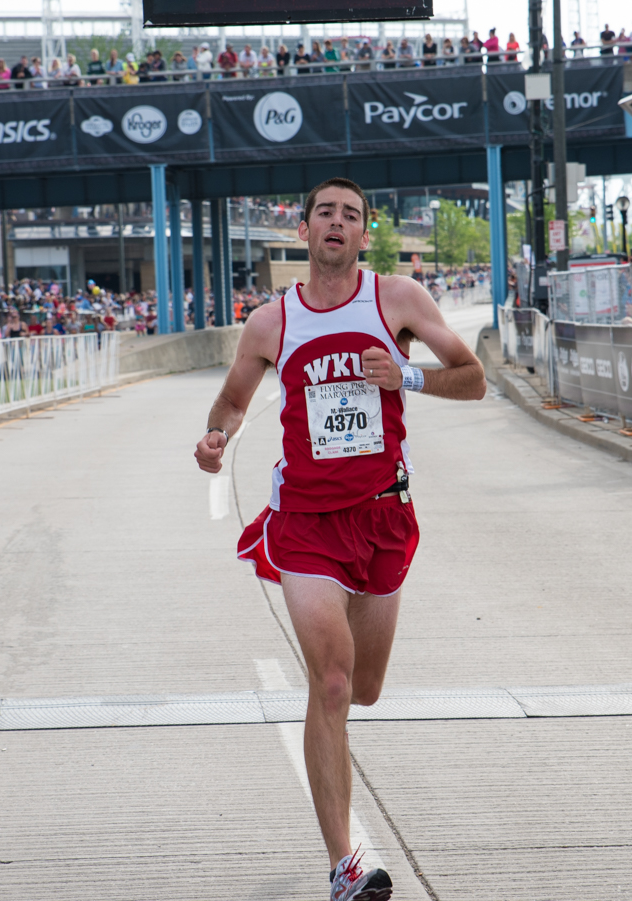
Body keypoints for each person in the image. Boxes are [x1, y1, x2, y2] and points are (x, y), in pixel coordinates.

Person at [194, 177, 485, 901]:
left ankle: (337, 772)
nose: (336, 222)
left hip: (383, 514)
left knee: (365, 688)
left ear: (365, 234)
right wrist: (215, 437)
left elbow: (475, 378)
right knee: (329, 681)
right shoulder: (272, 321)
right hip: (307, 525)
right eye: (325, 211)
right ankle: (345, 863)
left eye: (350, 215)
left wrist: (408, 373)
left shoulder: (397, 302)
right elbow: (233, 400)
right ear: (303, 229)